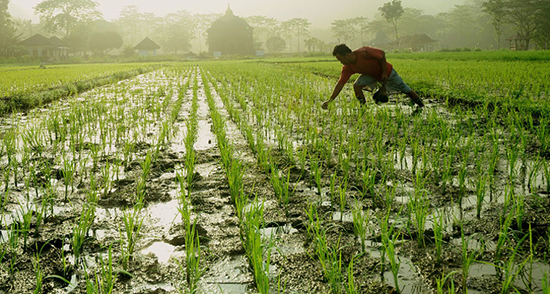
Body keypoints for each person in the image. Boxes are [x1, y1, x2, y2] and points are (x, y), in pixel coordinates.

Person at [322, 44, 424, 110]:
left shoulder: (364, 52)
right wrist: (330, 100)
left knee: (405, 89)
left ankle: (421, 106)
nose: (341, 62)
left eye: (341, 59)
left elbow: (382, 54)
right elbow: (340, 84)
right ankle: (363, 108)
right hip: (371, 75)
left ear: (347, 55)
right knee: (356, 86)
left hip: (387, 72)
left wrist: (384, 73)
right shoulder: (347, 68)